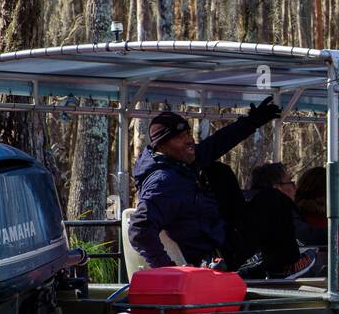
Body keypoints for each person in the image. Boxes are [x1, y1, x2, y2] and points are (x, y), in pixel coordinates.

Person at [128, 101, 314, 279]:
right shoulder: (165, 182)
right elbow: (139, 229)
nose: (189, 141)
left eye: (187, 133)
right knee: (272, 200)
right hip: (214, 257)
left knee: (218, 171)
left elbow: (217, 144)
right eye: (179, 137)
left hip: (220, 235)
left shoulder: (177, 162)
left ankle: (258, 259)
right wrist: (167, 271)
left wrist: (252, 121)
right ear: (161, 145)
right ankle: (285, 266)